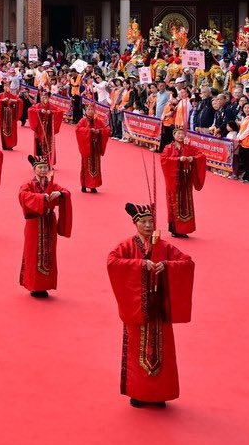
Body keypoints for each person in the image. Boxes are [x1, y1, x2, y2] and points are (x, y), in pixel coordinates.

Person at [106, 202, 194, 408]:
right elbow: (112, 262)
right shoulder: (127, 246)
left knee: (163, 348)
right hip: (138, 307)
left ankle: (160, 393)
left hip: (160, 306)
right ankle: (139, 392)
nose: (148, 226)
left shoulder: (164, 246)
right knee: (136, 347)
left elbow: (187, 262)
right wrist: (140, 265)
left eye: (150, 222)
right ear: (135, 224)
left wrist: (166, 266)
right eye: (144, 222)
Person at [19, 155, 72, 297]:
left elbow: (67, 192)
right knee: (33, 252)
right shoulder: (28, 185)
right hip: (35, 223)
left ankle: (46, 285)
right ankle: (34, 285)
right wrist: (41, 198)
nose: (43, 170)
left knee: (48, 252)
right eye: (40, 167)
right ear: (34, 169)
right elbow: (23, 196)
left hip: (49, 222)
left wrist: (60, 193)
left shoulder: (52, 184)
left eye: (45, 167)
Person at [160, 127, 206, 238]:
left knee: (186, 204)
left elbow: (202, 156)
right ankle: (175, 229)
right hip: (173, 181)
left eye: (182, 134)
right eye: (178, 134)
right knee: (174, 204)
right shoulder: (168, 148)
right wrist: (178, 160)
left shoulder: (189, 148)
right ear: (174, 135)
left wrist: (192, 159)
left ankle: (184, 229)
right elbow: (163, 160)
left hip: (186, 180)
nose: (180, 136)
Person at [74, 107, 110, 194]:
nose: (90, 111)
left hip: (95, 147)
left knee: (96, 166)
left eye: (92, 110)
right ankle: (84, 185)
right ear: (85, 111)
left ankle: (93, 185)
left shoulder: (98, 121)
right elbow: (78, 129)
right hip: (86, 147)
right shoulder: (83, 121)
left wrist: (99, 131)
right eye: (88, 110)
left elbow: (107, 130)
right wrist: (89, 131)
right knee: (86, 166)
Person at [0, 86, 24, 151]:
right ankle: (5, 145)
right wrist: (1, 101)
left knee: (12, 130)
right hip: (4, 116)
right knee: (4, 130)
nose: (7, 88)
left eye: (8, 87)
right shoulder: (0, 95)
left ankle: (10, 144)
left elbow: (20, 101)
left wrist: (15, 101)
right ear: (3, 88)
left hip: (11, 116)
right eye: (6, 86)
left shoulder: (13, 96)